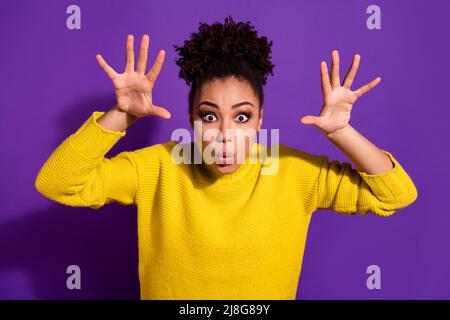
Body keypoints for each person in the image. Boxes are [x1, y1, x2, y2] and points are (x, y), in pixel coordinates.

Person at [35, 15, 418, 300]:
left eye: (240, 116)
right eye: (208, 116)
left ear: (260, 119)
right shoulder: (157, 167)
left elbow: (396, 195)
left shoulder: (294, 173)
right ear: (191, 119)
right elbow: (57, 183)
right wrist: (121, 116)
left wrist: (341, 133)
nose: (224, 134)